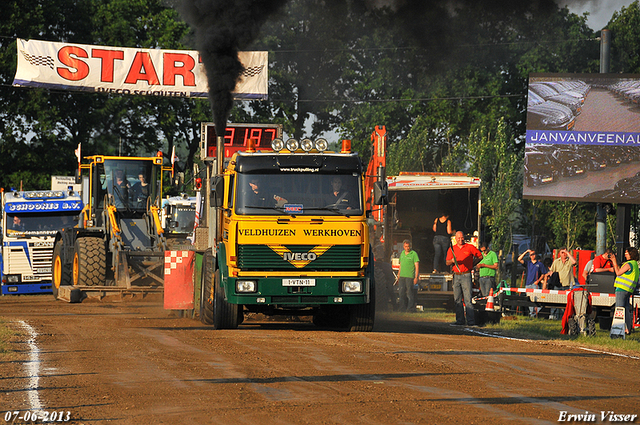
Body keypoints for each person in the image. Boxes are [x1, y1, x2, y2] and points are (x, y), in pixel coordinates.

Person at [446, 231, 483, 326]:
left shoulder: (470, 247)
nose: (460, 239)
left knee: (468, 299)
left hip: (466, 275)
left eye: (462, 237)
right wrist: (452, 261)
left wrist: (472, 264)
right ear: (455, 239)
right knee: (457, 299)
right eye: (458, 238)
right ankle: (460, 320)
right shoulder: (452, 249)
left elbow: (480, 256)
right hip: (456, 275)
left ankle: (471, 321)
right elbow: (447, 262)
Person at [611, 247, 639, 335]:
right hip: (629, 290)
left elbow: (618, 272)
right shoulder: (635, 265)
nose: (625, 255)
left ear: (631, 254)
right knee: (626, 308)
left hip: (621, 289)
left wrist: (614, 261)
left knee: (619, 309)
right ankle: (627, 328)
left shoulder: (629, 264)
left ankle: (618, 329)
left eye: (626, 253)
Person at [518, 249, 548, 316]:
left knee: (537, 298)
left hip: (535, 284)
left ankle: (536, 313)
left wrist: (538, 281)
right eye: (531, 255)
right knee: (529, 299)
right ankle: (532, 313)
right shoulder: (528, 263)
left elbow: (544, 274)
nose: (532, 256)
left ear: (536, 255)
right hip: (528, 284)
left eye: (533, 254)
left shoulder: (540, 264)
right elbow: (519, 259)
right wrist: (526, 251)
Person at [374, 245, 398, 311]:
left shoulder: (385, 266)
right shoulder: (387, 265)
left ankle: (393, 307)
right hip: (387, 282)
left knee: (389, 295)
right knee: (389, 295)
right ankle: (391, 307)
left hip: (387, 282)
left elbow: (390, 275)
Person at [398, 239, 419, 312]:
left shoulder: (414, 254)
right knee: (401, 292)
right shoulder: (402, 254)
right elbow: (400, 265)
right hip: (402, 276)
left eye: (408, 246)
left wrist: (416, 277)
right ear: (403, 246)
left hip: (410, 276)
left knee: (409, 293)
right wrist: (398, 274)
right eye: (406, 246)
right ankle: (402, 308)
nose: (407, 248)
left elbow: (417, 265)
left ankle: (410, 308)